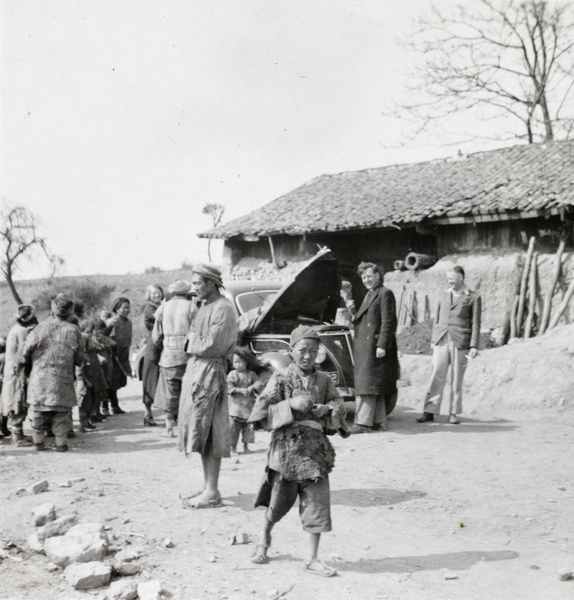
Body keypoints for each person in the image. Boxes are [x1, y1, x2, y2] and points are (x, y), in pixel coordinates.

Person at [247, 325, 348, 577]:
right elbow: (259, 414)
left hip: (315, 453)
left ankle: (312, 558)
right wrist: (290, 405)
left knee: (317, 504)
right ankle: (264, 536)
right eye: (302, 351)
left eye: (313, 351)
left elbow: (339, 404)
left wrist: (328, 409)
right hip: (286, 453)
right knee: (278, 504)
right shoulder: (280, 379)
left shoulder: (324, 380)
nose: (307, 356)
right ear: (291, 352)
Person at [178, 264, 237, 509]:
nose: (194, 288)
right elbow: (191, 336)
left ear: (211, 283)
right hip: (197, 372)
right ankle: (207, 486)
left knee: (211, 432)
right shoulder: (205, 307)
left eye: (198, 283)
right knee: (201, 431)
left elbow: (213, 344)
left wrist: (193, 341)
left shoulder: (223, 308)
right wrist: (193, 341)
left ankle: (212, 492)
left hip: (210, 374)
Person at [20, 294, 87, 452]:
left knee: (37, 413)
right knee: (61, 415)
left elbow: (25, 352)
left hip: (39, 381)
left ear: (53, 309)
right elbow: (80, 358)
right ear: (70, 311)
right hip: (62, 382)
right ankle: (61, 444)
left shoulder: (40, 328)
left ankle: (39, 444)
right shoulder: (74, 330)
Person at [417, 266, 482, 424]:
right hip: (442, 339)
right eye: (447, 279)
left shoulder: (473, 297)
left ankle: (453, 413)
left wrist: (473, 346)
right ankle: (429, 411)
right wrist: (434, 339)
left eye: (452, 278)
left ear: (461, 278)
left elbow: (476, 323)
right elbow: (437, 319)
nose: (449, 281)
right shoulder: (443, 295)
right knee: (436, 375)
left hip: (461, 342)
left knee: (456, 378)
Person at [351, 261, 399, 433]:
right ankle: (379, 421)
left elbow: (389, 322)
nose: (366, 280)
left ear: (378, 275)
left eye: (369, 276)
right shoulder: (371, 293)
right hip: (367, 346)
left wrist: (382, 345)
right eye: (364, 277)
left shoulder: (385, 293)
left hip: (375, 346)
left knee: (367, 384)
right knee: (373, 384)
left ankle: (363, 423)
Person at [152, 280, 194, 436]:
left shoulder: (163, 307)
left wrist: (164, 346)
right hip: (188, 356)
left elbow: (156, 337)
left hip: (169, 357)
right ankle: (186, 428)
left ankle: (169, 428)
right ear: (185, 292)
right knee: (188, 392)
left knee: (171, 393)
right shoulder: (191, 307)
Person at [1, 305, 39, 446]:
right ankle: (18, 438)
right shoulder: (22, 331)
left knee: (14, 400)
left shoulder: (14, 329)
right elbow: (25, 353)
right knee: (17, 401)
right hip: (17, 372)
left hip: (12, 371)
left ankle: (17, 436)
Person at [227, 347, 262, 454]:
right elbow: (228, 387)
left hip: (249, 407)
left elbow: (259, 382)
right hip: (236, 407)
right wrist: (239, 390)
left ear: (247, 362)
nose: (238, 365)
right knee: (233, 429)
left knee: (248, 429)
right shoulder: (232, 374)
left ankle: (246, 447)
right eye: (235, 362)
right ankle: (232, 448)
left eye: (240, 362)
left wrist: (251, 388)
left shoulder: (251, 374)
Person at [141, 284, 165, 426]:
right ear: (149, 295)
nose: (157, 295)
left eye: (158, 292)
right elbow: (160, 317)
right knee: (150, 379)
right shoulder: (150, 308)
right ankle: (148, 413)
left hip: (162, 344)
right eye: (154, 293)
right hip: (154, 346)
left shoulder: (160, 306)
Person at [106, 297, 133, 415]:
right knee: (109, 380)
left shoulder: (129, 322)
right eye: (124, 308)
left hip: (123, 355)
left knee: (117, 381)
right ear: (117, 309)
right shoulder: (112, 322)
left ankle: (114, 406)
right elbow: (103, 337)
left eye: (128, 308)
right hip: (111, 355)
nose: (126, 310)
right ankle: (105, 407)